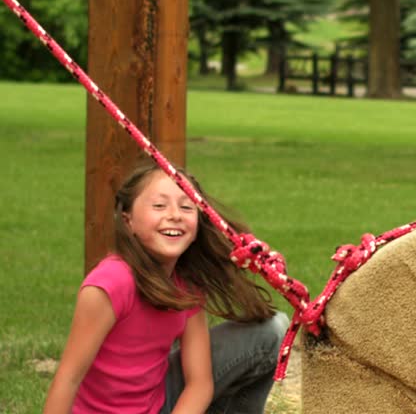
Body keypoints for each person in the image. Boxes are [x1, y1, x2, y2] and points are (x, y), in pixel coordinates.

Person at [44, 162, 288, 414]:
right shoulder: (109, 283)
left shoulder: (185, 284)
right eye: (159, 205)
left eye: (186, 207)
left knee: (272, 329)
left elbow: (199, 383)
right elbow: (67, 379)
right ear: (128, 221)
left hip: (159, 405)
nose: (175, 215)